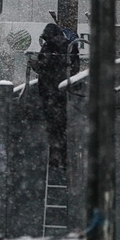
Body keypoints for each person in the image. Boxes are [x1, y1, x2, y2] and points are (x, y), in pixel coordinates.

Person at [28, 22, 79, 170]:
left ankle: (54, 159)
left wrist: (33, 64)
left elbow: (44, 65)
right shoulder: (71, 46)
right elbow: (75, 67)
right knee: (64, 127)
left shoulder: (49, 46)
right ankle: (65, 158)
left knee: (53, 128)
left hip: (50, 93)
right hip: (66, 93)